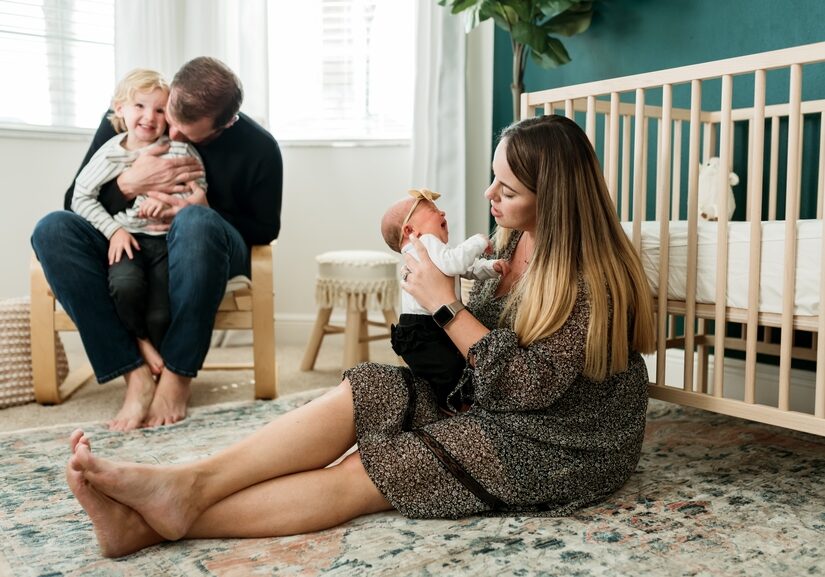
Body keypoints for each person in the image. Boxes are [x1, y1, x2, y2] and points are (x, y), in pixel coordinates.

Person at [65, 114, 656, 558]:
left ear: (551, 196)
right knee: (364, 389)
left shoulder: (589, 278)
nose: (488, 197)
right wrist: (425, 318)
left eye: (507, 190)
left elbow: (528, 386)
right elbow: (484, 360)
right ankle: (186, 484)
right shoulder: (510, 239)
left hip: (561, 439)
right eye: (493, 180)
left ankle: (148, 524)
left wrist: (444, 305)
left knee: (376, 468)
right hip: (495, 398)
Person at [32, 56, 283, 431]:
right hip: (130, 238)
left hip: (210, 246)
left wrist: (207, 208)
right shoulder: (132, 119)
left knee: (196, 220)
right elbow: (76, 200)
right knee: (52, 228)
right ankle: (132, 371)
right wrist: (127, 185)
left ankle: (177, 376)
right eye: (171, 118)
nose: (172, 134)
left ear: (225, 123)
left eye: (187, 132)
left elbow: (264, 230)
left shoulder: (260, 149)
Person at [71, 68, 207, 376]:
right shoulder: (109, 154)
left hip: (166, 243)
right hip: (127, 240)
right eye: (140, 106)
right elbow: (80, 198)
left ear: (171, 114)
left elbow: (199, 187)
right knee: (125, 287)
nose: (150, 116)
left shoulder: (180, 150)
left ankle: (160, 369)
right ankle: (139, 340)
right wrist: (114, 230)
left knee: (160, 312)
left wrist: (170, 201)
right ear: (119, 108)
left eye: (160, 109)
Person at [381, 187, 508, 409]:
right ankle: (453, 405)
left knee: (440, 371)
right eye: (432, 210)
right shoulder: (425, 243)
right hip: (426, 327)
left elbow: (463, 268)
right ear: (411, 230)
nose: (443, 214)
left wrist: (490, 267)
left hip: (423, 327)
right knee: (448, 370)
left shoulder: (428, 250)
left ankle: (439, 402)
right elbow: (455, 263)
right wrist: (478, 241)